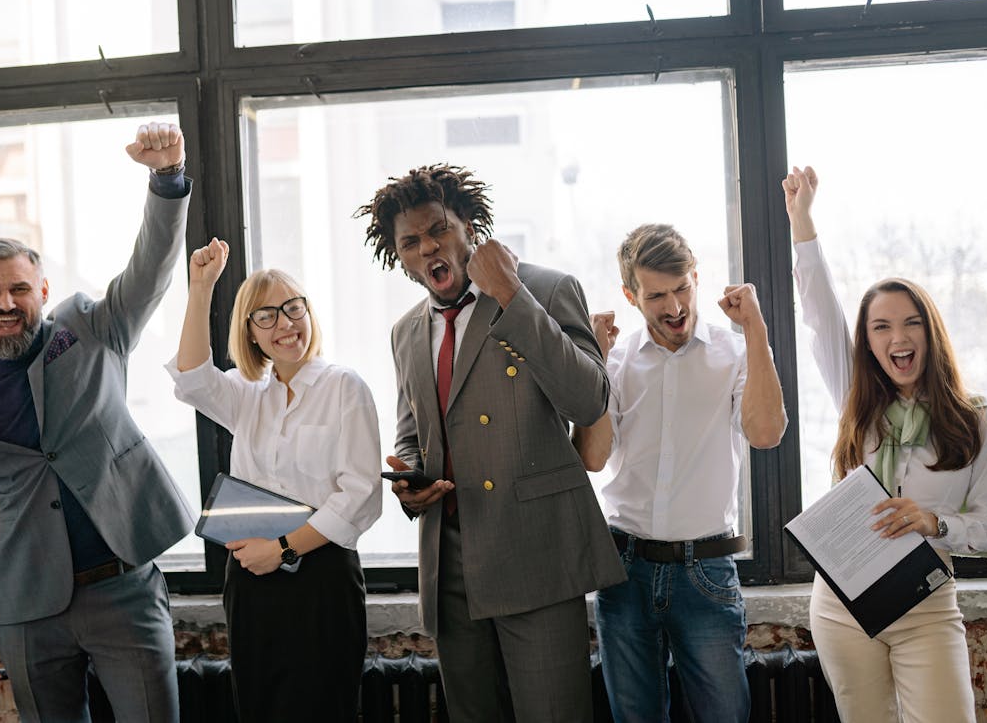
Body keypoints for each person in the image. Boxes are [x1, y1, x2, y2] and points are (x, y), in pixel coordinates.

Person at [0, 122, 194, 722]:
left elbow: (149, 270)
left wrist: (167, 179)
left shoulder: (92, 328)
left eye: (19, 288)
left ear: (42, 289)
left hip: (124, 585)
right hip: (28, 610)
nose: (6, 303)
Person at [355, 164, 625, 722]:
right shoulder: (406, 331)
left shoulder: (546, 289)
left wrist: (510, 292)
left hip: (537, 553)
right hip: (449, 564)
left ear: (470, 227)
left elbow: (588, 399)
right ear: (398, 256)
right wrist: (411, 484)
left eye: (439, 230)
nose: (428, 246)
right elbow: (415, 432)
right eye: (411, 241)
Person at [786, 165, 987, 722]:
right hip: (842, 604)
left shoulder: (978, 421)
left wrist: (935, 522)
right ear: (867, 341)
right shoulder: (855, 399)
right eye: (880, 327)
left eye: (910, 324)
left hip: (926, 604)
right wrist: (802, 223)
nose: (897, 338)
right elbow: (818, 311)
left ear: (931, 332)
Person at [573, 223, 787, 723]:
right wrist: (594, 365)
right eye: (657, 296)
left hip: (707, 573)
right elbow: (593, 458)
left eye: (683, 288)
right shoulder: (618, 360)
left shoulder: (735, 352)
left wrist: (755, 329)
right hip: (623, 571)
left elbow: (765, 433)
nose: (674, 307)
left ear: (696, 278)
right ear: (631, 295)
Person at [166, 240, 382, 722]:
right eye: (267, 316)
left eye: (293, 308)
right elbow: (192, 378)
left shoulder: (344, 386)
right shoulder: (248, 395)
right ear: (251, 333)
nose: (285, 324)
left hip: (321, 577)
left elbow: (360, 495)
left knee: (326, 707)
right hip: (251, 579)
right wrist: (200, 288)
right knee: (260, 707)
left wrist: (283, 548)